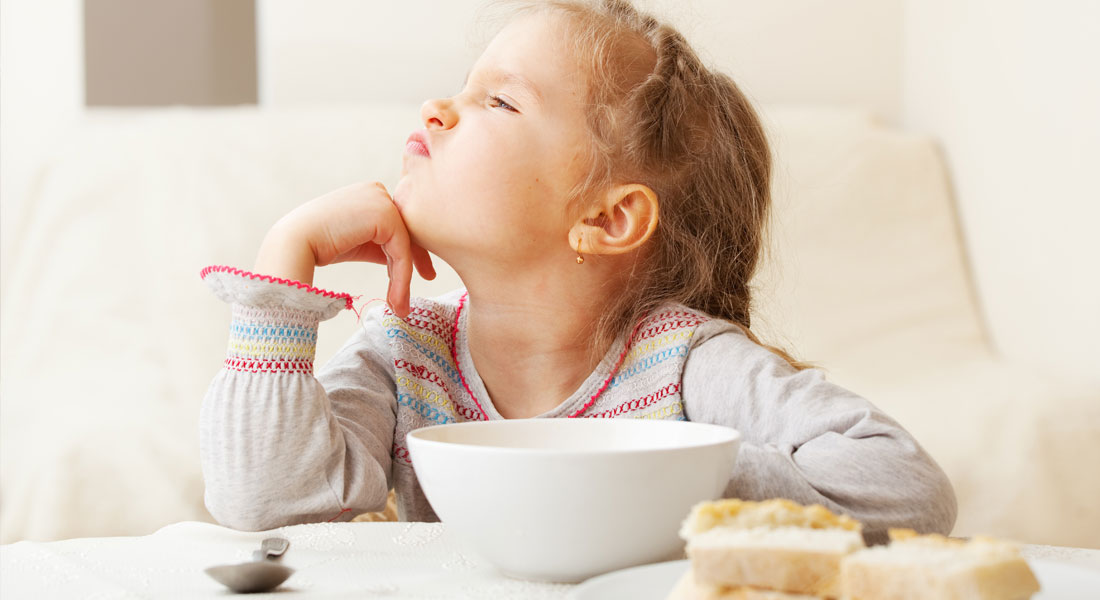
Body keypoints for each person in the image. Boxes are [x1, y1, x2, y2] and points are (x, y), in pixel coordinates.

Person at [198, 0, 956, 545]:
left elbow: (907, 488)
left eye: (496, 100)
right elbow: (269, 506)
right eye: (462, 87)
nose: (436, 109)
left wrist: (664, 478)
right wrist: (283, 261)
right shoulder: (404, 357)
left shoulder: (683, 362)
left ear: (605, 219)